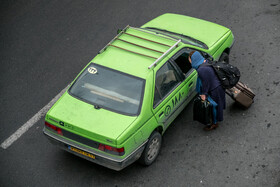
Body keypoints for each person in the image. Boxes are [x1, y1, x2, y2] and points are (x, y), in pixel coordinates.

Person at [188, 51, 226, 131]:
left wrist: (203, 94)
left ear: (194, 59)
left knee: (214, 107)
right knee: (218, 104)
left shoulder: (201, 69)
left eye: (190, 60)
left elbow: (206, 83)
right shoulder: (205, 62)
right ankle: (215, 120)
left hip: (214, 89)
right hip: (218, 86)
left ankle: (214, 123)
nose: (190, 62)